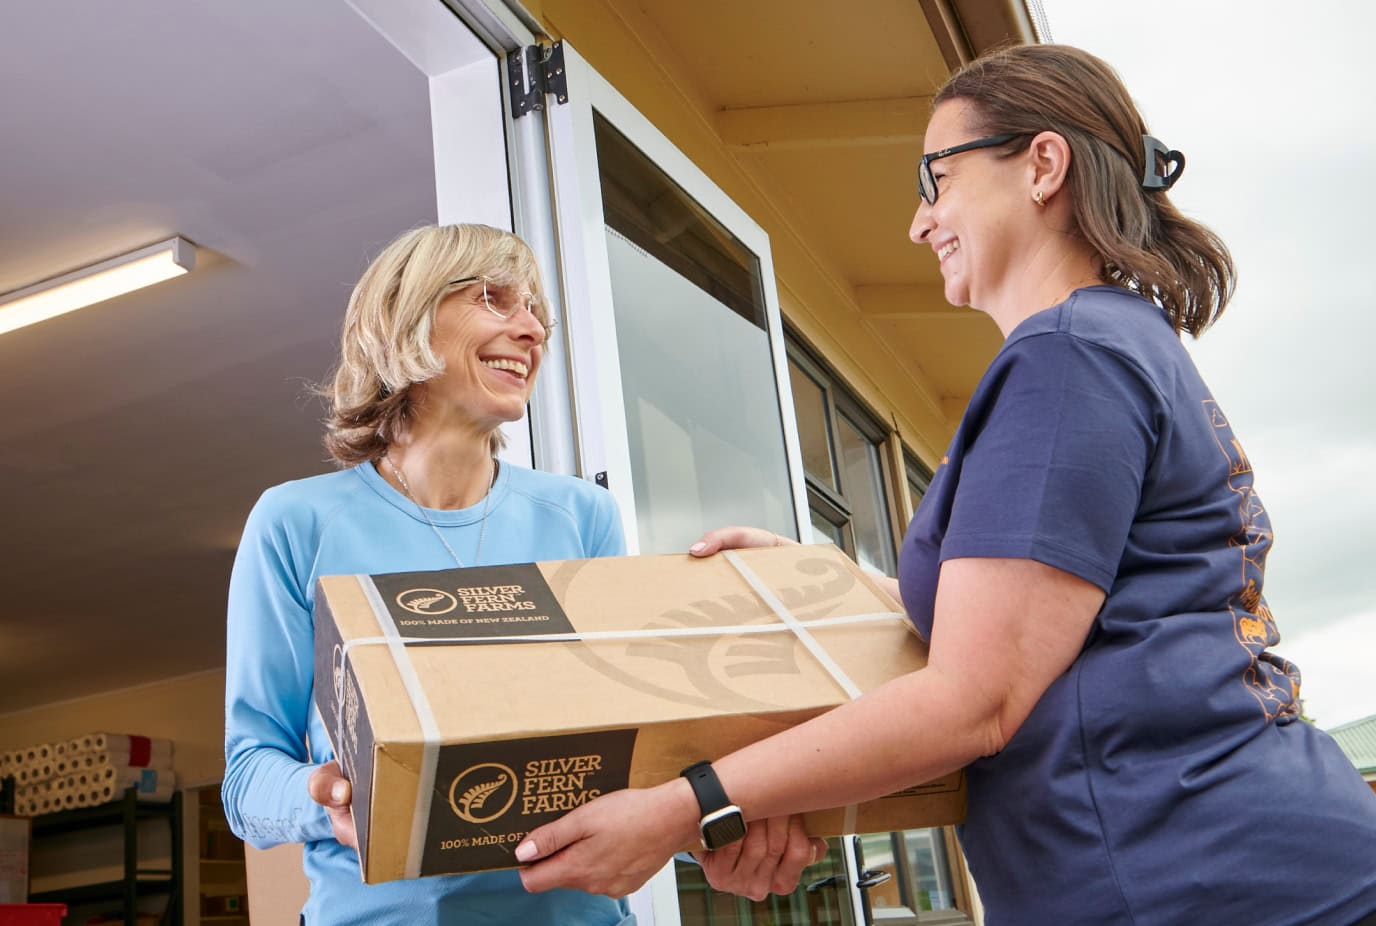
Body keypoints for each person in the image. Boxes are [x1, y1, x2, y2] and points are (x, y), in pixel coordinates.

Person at [513, 45, 1376, 925]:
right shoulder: (1113, 343)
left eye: (936, 178)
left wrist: (682, 804)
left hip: (1205, 879)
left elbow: (977, 699)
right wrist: (822, 586)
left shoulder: (1066, 358)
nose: (919, 224)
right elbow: (1048, 621)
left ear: (1042, 164)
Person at [222, 224, 821, 925]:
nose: (533, 329)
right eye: (495, 299)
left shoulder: (580, 517)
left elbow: (631, 754)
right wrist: (326, 798)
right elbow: (248, 776)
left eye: (537, 310)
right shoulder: (296, 523)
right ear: (405, 316)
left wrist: (719, 826)